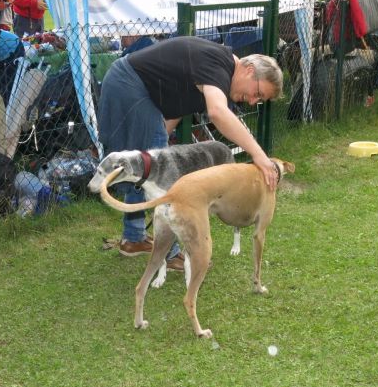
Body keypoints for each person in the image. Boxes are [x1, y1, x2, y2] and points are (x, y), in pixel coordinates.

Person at [98, 36, 283, 268]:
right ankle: (171, 253)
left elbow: (178, 105)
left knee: (148, 165)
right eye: (258, 93)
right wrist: (259, 155)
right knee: (160, 172)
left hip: (128, 84)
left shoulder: (219, 71)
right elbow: (218, 113)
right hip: (129, 85)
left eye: (259, 100)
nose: (253, 101)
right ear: (249, 70)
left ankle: (134, 238)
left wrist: (159, 142)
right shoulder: (220, 66)